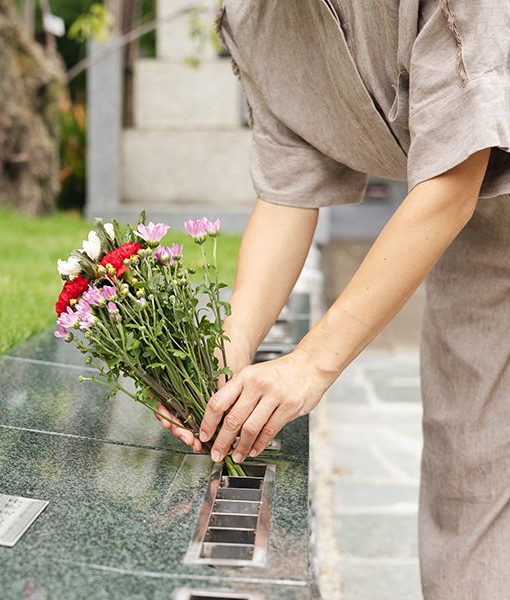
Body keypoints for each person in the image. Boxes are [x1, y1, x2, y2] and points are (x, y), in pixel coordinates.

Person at [154, 1, 510, 597]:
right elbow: (288, 194)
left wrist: (312, 364)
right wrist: (229, 345)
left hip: (463, 192)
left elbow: (453, 178)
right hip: (482, 219)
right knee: (467, 473)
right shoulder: (258, 18)